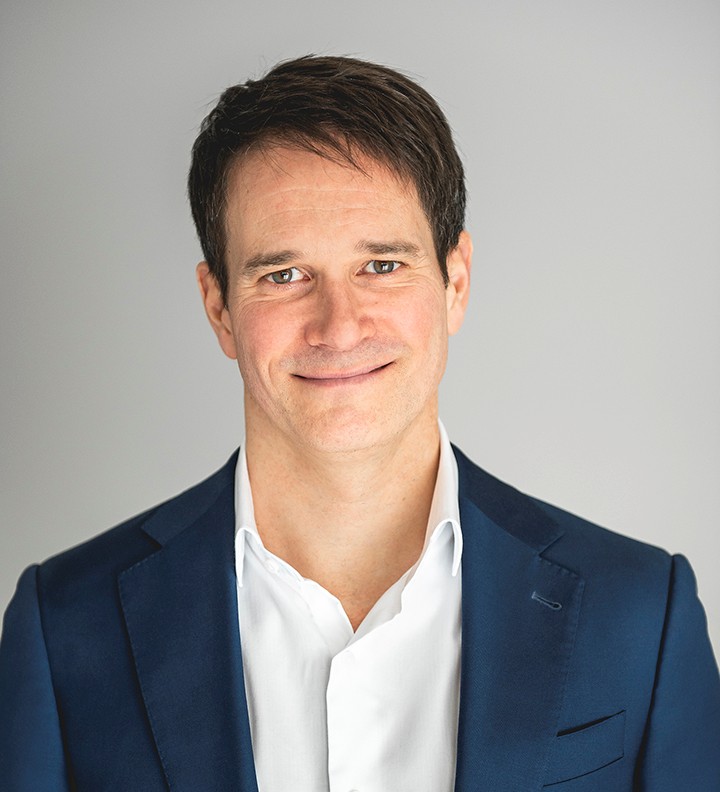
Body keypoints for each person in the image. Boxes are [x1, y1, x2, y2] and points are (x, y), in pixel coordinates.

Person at [1, 55, 718, 792]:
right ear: (219, 308)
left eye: (381, 266)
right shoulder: (65, 627)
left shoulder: (640, 614)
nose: (339, 327)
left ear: (455, 283)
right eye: (283, 275)